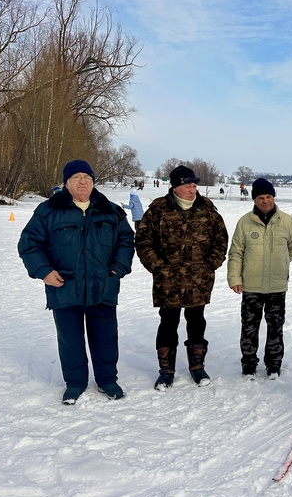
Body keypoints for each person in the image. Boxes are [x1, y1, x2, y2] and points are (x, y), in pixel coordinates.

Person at [18, 160, 134, 405]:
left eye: (87, 177)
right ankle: (75, 383)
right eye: (77, 177)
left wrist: (118, 269)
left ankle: (107, 380)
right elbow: (29, 244)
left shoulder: (110, 211)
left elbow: (126, 240)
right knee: (70, 340)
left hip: (102, 286)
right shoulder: (48, 211)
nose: (83, 181)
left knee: (105, 337)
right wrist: (45, 271)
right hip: (64, 288)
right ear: (66, 183)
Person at [135, 165, 228, 389]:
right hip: (168, 280)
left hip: (199, 280)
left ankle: (197, 367)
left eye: (195, 185)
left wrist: (210, 265)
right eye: (188, 185)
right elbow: (143, 240)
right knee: (168, 322)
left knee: (197, 322)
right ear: (176, 187)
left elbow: (221, 240)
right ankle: (166, 370)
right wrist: (157, 266)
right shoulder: (158, 209)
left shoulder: (207, 208)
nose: (192, 190)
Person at [227, 178, 292, 380]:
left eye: (268, 196)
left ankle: (274, 364)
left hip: (277, 285)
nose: (265, 201)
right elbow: (236, 252)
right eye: (261, 197)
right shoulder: (245, 222)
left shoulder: (287, 221)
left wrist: (282, 262)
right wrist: (235, 277)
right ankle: (249, 364)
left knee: (275, 326)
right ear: (254, 199)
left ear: (274, 197)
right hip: (251, 285)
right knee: (249, 326)